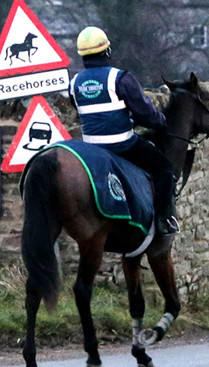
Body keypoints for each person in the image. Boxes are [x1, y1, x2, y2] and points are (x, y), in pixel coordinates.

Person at [70, 25, 178, 234]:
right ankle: (164, 220)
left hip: (90, 150)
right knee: (164, 168)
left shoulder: (74, 83)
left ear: (82, 55)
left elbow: (83, 111)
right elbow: (145, 113)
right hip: (123, 146)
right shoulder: (120, 79)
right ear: (107, 51)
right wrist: (161, 121)